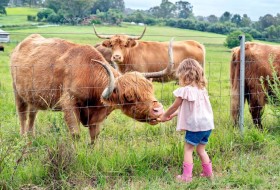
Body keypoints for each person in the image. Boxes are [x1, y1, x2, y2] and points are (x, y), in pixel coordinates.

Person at [159, 58, 214, 183]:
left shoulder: (185, 90)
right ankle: (208, 174)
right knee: (201, 150)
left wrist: (165, 115)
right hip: (207, 126)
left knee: (188, 149)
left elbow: (175, 106)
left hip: (196, 127)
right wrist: (173, 116)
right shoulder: (202, 90)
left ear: (184, 74)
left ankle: (186, 177)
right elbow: (191, 109)